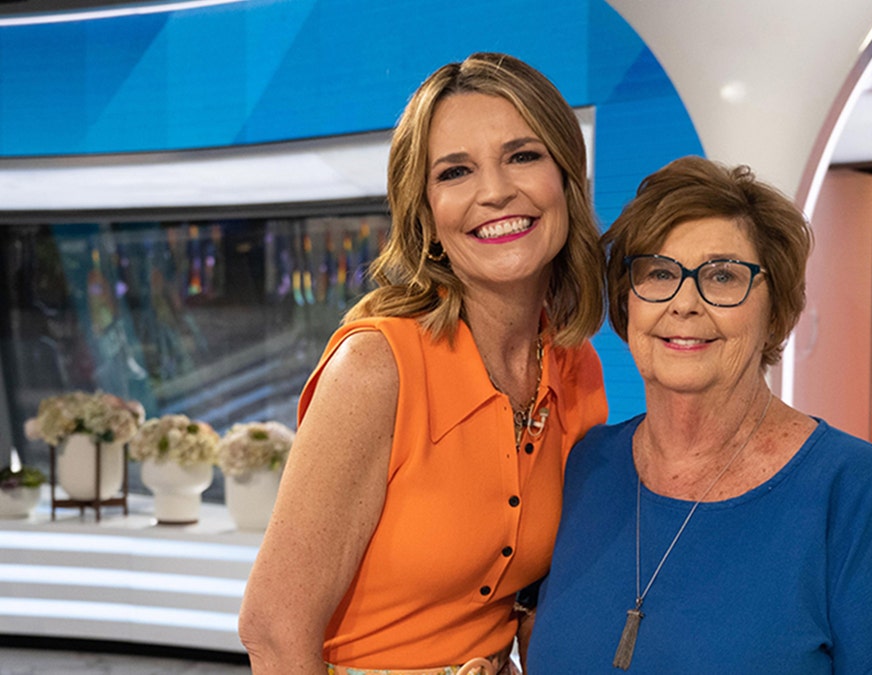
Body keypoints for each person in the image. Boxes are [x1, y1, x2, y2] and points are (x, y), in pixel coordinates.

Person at [238, 52, 608, 675]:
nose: (495, 191)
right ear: (428, 216)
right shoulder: (375, 367)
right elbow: (274, 631)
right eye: (456, 172)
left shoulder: (578, 367)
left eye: (523, 155)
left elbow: (532, 597)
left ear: (567, 180)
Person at [526, 156, 872, 673]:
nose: (684, 303)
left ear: (774, 311)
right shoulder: (586, 465)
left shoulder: (847, 487)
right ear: (626, 302)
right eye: (659, 273)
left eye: (723, 276)